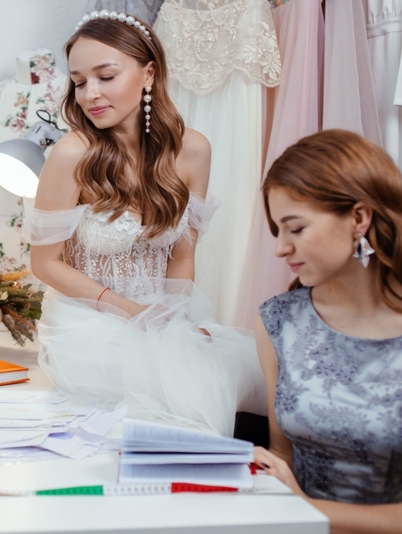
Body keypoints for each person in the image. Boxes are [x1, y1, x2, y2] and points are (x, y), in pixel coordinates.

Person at [25, 10, 266, 437]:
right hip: (87, 323)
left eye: (105, 76)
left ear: (149, 73)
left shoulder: (193, 150)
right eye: (80, 82)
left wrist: (177, 321)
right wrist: (132, 312)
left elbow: (183, 254)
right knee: (166, 395)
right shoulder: (71, 154)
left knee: (231, 376)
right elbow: (45, 264)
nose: (89, 94)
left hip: (160, 316)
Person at [254, 130, 402, 532]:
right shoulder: (278, 321)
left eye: (295, 229)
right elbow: (281, 454)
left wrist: (308, 508)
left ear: (358, 218)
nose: (280, 249)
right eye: (277, 231)